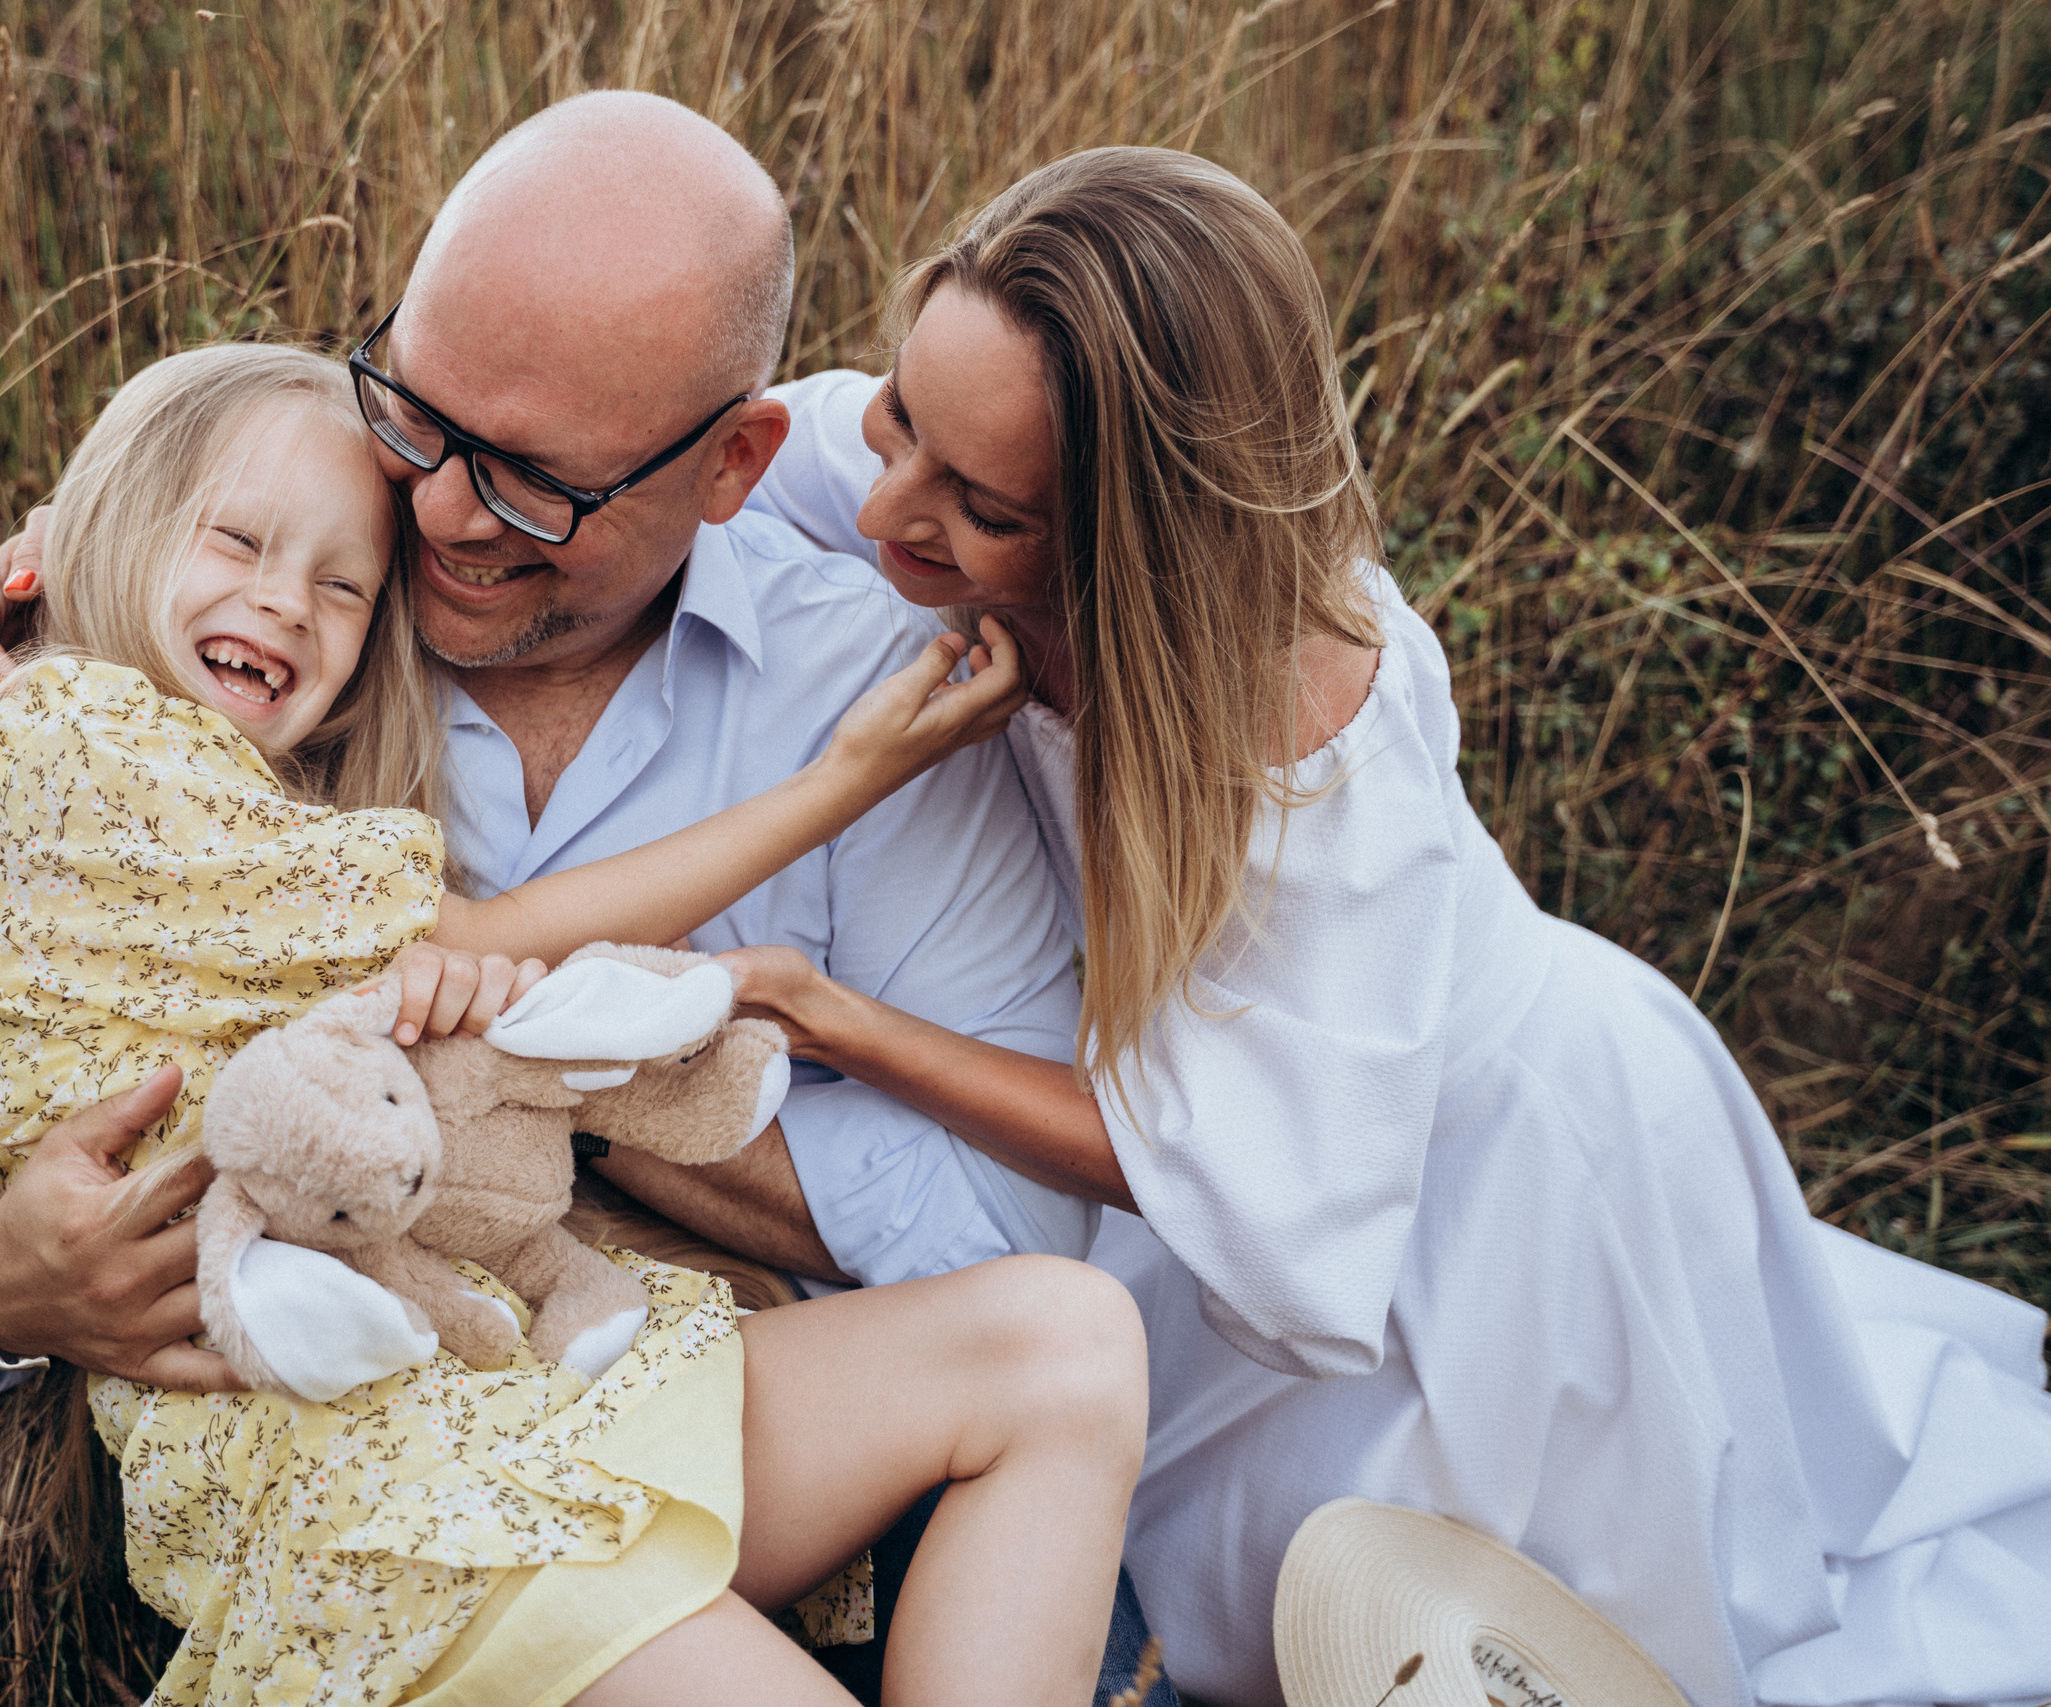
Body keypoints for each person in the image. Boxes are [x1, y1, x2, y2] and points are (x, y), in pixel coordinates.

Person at [697, 148, 2051, 1707]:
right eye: (898, 419)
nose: (881, 504)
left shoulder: (1295, 735)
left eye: (979, 508)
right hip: (1234, 1122)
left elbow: (1260, 1195)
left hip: (1479, 1170)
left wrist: (849, 1027)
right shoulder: (941, 449)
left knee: (1497, 1612)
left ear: (1132, 532)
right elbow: (729, 458)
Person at [0, 95, 1150, 1707]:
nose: (450, 517)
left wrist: (542, 1116)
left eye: (541, 483)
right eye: (420, 411)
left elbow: (1002, 1225)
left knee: (1070, 1335)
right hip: (370, 1464)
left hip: (614, 1379)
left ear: (737, 462)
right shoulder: (288, 627)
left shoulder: (878, 694)